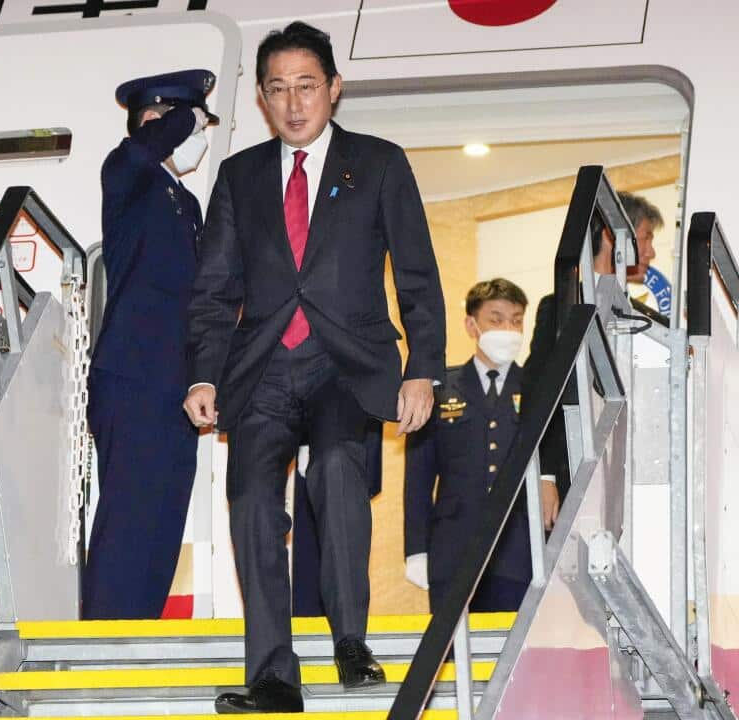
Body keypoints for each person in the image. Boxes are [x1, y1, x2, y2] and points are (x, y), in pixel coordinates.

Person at [182, 22, 446, 712]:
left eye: (307, 86)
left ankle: (349, 636)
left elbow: (417, 276)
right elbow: (214, 289)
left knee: (335, 472)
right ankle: (273, 676)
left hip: (346, 364)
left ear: (334, 88)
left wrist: (422, 368)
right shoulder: (239, 177)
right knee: (250, 505)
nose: (294, 103)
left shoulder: (380, 163)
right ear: (264, 100)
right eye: (278, 90)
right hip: (262, 367)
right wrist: (204, 374)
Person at [84, 69, 218, 620]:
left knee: (162, 523)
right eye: (179, 123)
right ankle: (99, 654)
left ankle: (133, 640)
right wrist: (185, 118)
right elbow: (141, 153)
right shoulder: (126, 175)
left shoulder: (186, 204)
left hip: (175, 387)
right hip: (133, 375)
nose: (194, 136)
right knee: (128, 522)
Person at [404, 279, 559, 613]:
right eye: (496, 318)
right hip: (453, 549)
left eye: (516, 319)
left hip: (519, 551)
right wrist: (416, 548)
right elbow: (418, 477)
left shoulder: (537, 386)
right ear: (471, 325)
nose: (508, 328)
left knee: (514, 656)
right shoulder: (441, 388)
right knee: (453, 655)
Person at [522, 191, 664, 500]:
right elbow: (540, 391)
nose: (651, 253)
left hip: (638, 476)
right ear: (613, 236)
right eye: (645, 239)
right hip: (572, 473)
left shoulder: (649, 322)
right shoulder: (563, 306)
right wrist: (545, 476)